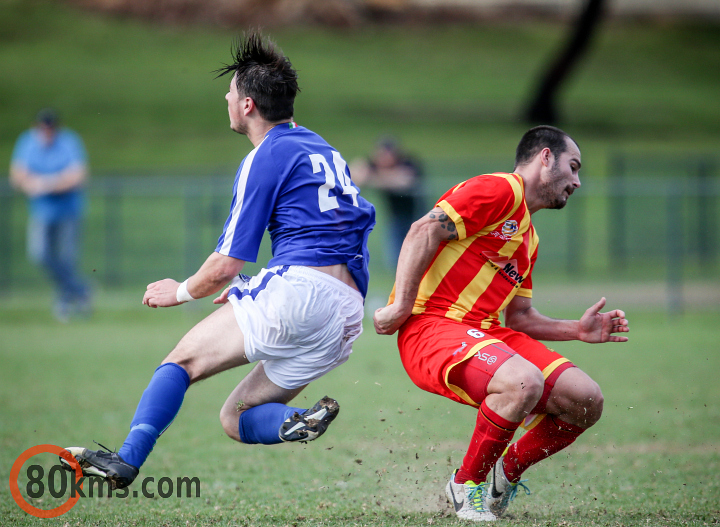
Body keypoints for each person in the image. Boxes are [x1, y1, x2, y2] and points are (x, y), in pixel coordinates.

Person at [60, 32, 376, 490]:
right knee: (236, 418)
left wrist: (181, 291)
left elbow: (225, 264)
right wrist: (264, 285)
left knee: (181, 362)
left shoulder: (265, 156)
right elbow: (336, 233)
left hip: (301, 291)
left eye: (230, 92)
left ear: (247, 105)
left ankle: (126, 459)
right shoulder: (326, 150)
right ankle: (298, 419)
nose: (225, 99)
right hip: (346, 312)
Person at [374, 125, 629, 521]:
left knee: (586, 401)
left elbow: (521, 317)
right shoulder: (500, 189)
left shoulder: (529, 239)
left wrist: (577, 331)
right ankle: (465, 486)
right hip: (431, 327)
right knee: (522, 381)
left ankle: (501, 479)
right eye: (573, 167)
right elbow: (422, 229)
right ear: (545, 158)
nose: (577, 181)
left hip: (485, 332)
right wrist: (400, 305)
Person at [9, 109, 92, 321]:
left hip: (68, 211)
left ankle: (64, 300)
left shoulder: (69, 141)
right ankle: (80, 289)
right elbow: (17, 175)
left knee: (66, 258)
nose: (47, 133)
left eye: (50, 129)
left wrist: (49, 184)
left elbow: (78, 175)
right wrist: (31, 183)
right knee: (40, 254)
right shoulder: (27, 142)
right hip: (41, 212)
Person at [350, 137, 424, 268]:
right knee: (396, 255)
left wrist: (374, 178)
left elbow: (404, 182)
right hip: (394, 215)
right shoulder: (374, 163)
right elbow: (353, 176)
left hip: (416, 214)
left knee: (417, 250)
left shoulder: (407, 162)